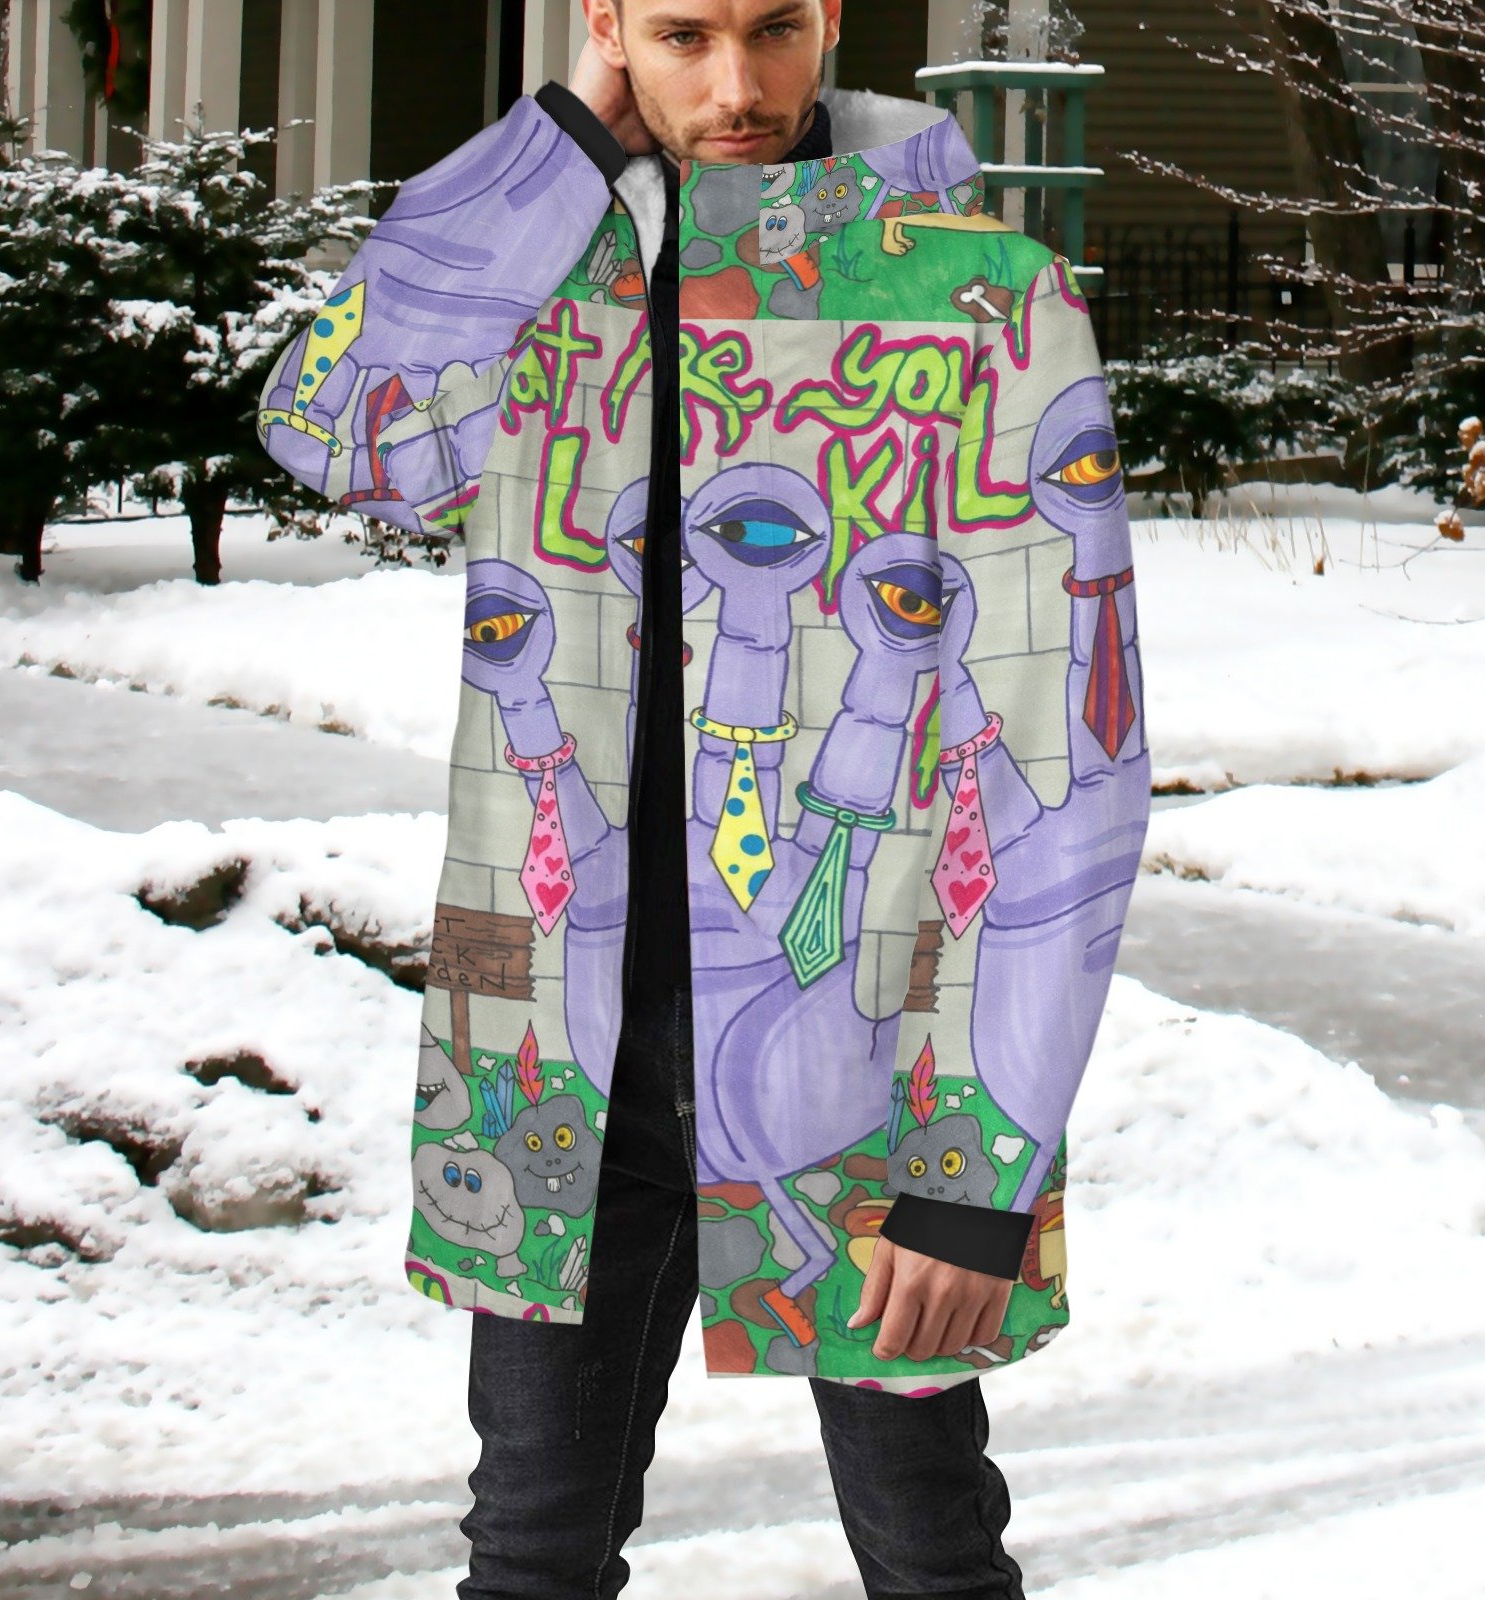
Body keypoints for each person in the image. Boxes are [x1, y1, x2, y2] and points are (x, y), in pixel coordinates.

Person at [255, 1, 1151, 1594]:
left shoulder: (982, 295)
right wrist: (553, 151)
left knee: (930, 1551)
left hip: (866, 1061)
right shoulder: (542, 270)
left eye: (776, 28)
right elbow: (330, 434)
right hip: (558, 1049)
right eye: (683, 34)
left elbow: (1071, 770)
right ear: (604, 24)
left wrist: (974, 1180)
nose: (740, 86)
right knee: (529, 1554)